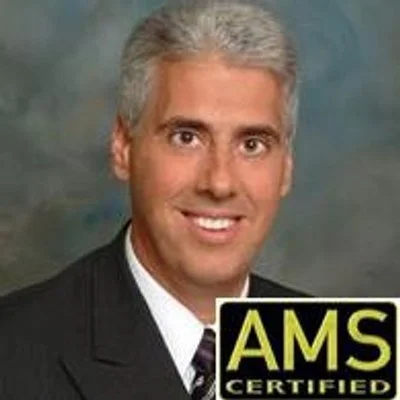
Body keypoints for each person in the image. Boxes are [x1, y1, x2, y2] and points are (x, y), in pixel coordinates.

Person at [0, 0, 306, 398]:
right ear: (123, 148)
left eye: (252, 144)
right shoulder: (12, 354)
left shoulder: (341, 353)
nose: (219, 183)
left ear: (286, 168)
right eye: (186, 137)